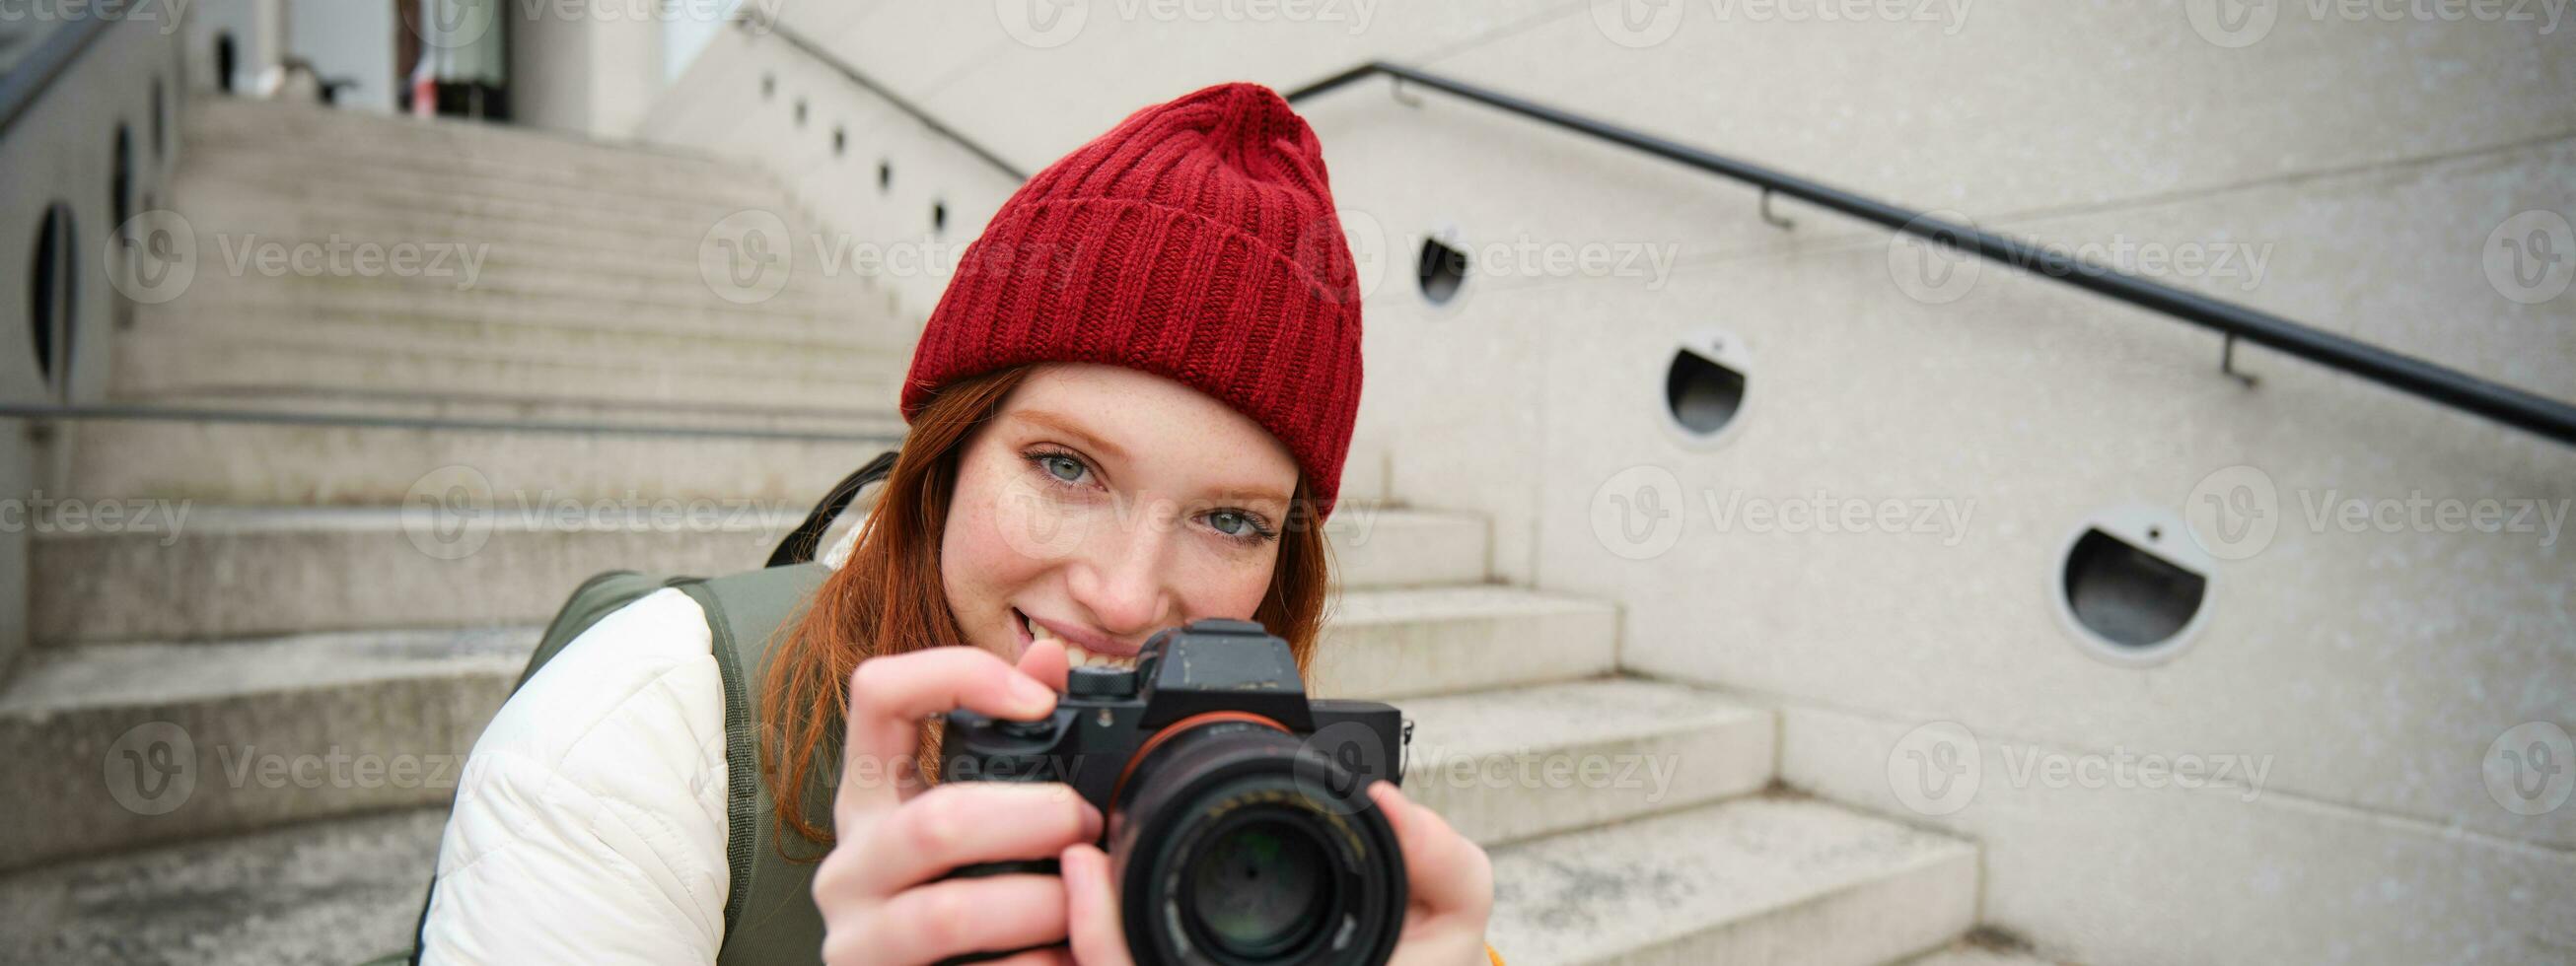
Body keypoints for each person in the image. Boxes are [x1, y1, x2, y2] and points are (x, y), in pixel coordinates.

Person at [417, 81, 1498, 964]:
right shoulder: (645, 731)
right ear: (944, 458)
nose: (1124, 596)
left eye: (1229, 518)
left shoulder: (1285, 819)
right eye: (1065, 465)